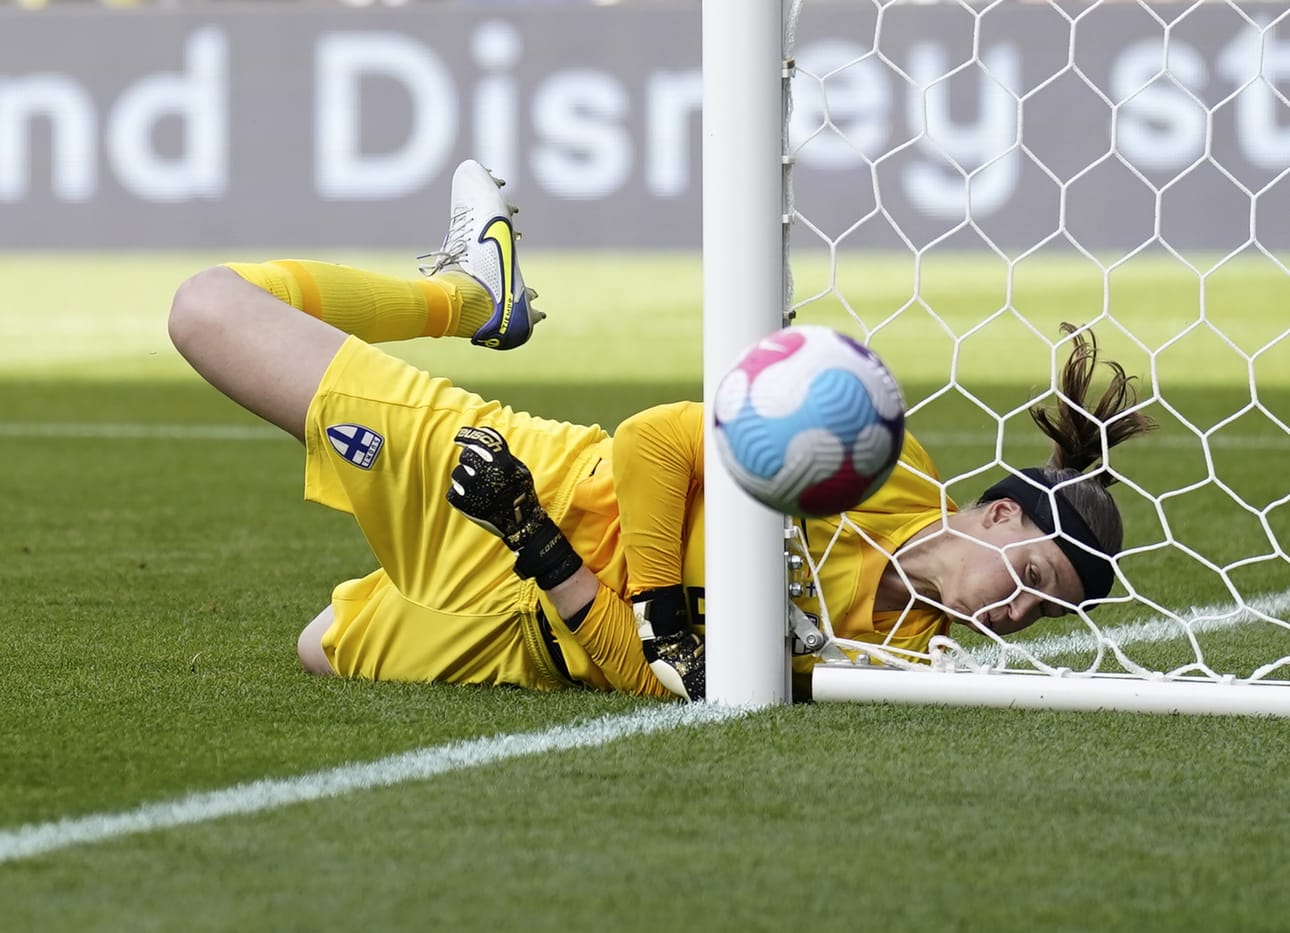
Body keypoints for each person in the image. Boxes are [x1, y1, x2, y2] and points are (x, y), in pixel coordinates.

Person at [167, 159, 1155, 702]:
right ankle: (466, 295)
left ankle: (472, 309)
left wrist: (548, 559)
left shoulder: (891, 661)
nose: (1022, 614)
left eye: (1048, 612)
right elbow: (655, 441)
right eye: (1034, 578)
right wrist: (652, 603)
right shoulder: (877, 466)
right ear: (990, 518)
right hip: (531, 481)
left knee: (321, 647)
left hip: (524, 623)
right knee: (207, 309)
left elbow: (651, 679)